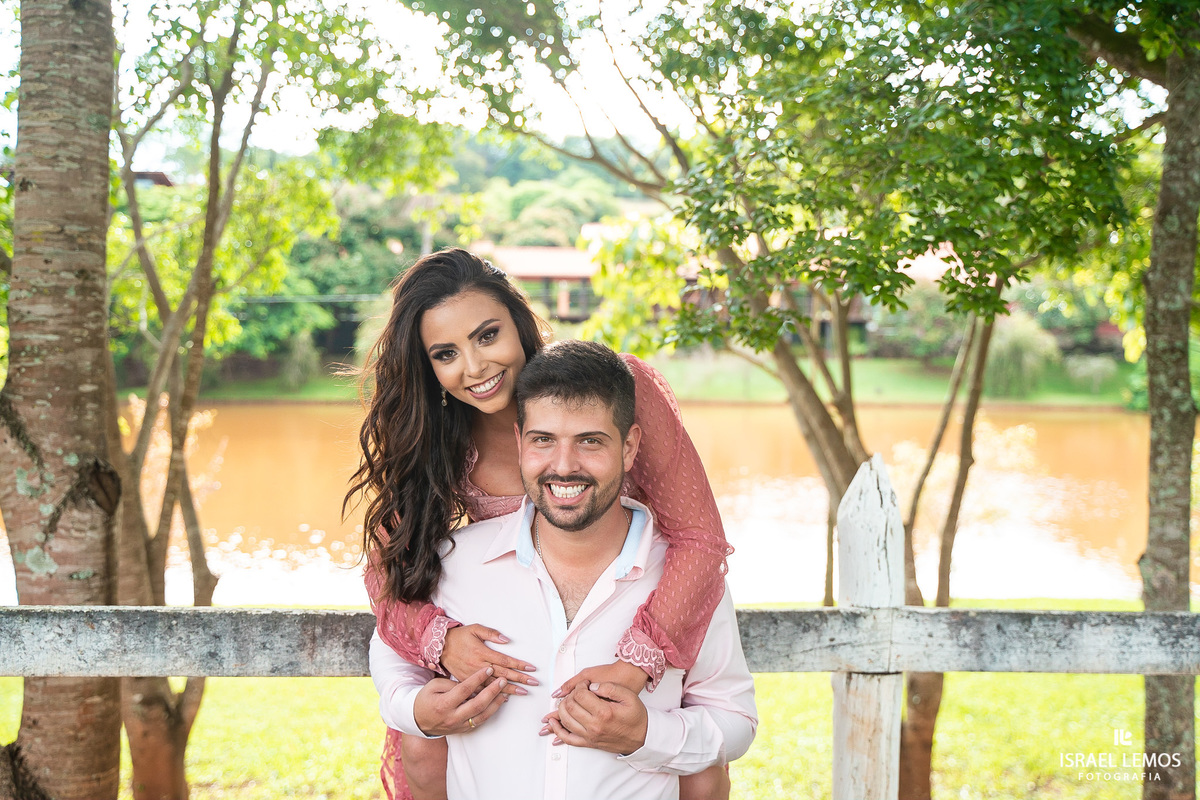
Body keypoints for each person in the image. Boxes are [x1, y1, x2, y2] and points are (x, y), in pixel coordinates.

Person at [346, 248, 733, 800]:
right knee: (431, 744)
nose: (474, 368)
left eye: (487, 335)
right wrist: (444, 641)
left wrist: (636, 663)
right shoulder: (440, 438)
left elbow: (700, 538)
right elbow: (389, 569)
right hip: (519, 647)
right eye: (445, 353)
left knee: (695, 760)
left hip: (639, 613)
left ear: (519, 323)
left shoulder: (612, 388)